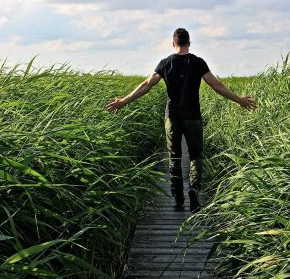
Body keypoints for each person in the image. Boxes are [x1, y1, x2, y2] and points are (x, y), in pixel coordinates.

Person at [105, 28, 257, 213]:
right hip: (193, 116)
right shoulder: (198, 62)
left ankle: (178, 198)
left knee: (174, 157)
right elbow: (216, 85)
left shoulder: (166, 63)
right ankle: (194, 189)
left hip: (173, 117)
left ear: (173, 43)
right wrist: (239, 100)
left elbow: (147, 84)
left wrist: (123, 101)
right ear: (189, 43)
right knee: (195, 156)